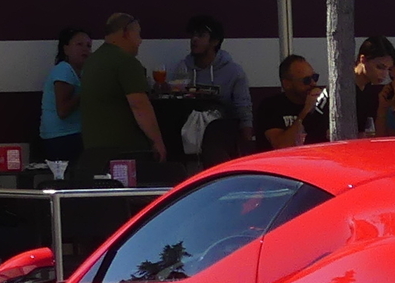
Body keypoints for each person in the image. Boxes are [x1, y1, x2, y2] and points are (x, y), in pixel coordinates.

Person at [77, 11, 165, 181]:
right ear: (126, 32)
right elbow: (139, 106)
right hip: (125, 153)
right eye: (138, 34)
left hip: (93, 153)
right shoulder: (126, 62)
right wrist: (158, 142)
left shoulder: (92, 62)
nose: (140, 41)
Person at [167, 13, 253, 157]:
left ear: (214, 41)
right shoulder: (183, 68)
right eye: (193, 35)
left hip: (220, 140)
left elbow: (243, 109)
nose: (194, 39)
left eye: (201, 35)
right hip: (186, 138)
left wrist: (247, 145)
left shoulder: (233, 72)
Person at [256, 55, 330, 149]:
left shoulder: (323, 106)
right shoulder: (270, 107)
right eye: (306, 80)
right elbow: (281, 146)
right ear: (287, 84)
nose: (313, 83)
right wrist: (306, 110)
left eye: (315, 77)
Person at [39, 25, 90, 161]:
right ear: (66, 49)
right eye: (79, 44)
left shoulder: (83, 72)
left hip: (73, 135)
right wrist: (86, 90)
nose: (85, 49)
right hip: (62, 138)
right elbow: (63, 111)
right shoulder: (64, 70)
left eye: (89, 46)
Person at [352, 35, 395, 135]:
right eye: (380, 67)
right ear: (363, 59)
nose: (385, 74)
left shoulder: (368, 87)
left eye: (388, 69)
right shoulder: (344, 87)